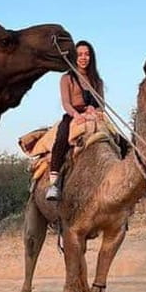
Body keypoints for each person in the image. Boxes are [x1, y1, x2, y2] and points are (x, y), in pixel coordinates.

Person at [45, 40, 104, 201]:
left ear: (91, 57)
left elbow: (102, 105)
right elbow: (66, 103)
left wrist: (95, 109)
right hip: (73, 115)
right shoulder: (67, 78)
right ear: (74, 57)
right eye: (80, 54)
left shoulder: (97, 81)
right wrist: (77, 115)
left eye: (87, 54)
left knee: (119, 140)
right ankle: (53, 184)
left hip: (94, 116)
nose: (83, 58)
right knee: (62, 138)